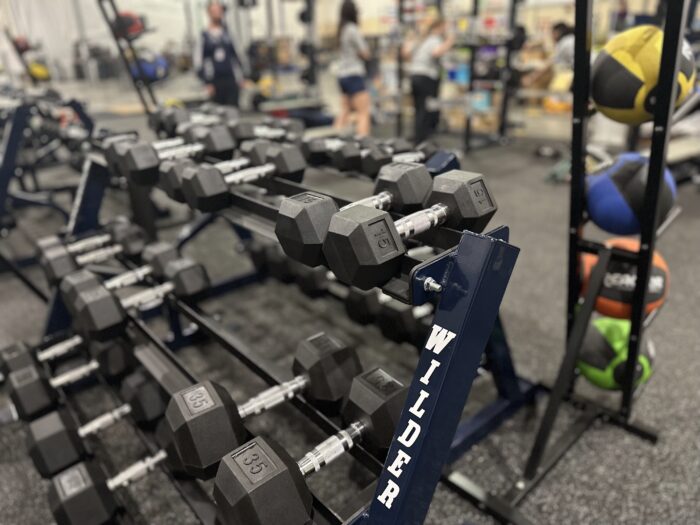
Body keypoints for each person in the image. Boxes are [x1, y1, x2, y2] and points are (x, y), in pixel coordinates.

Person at [402, 18, 454, 144]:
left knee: (419, 107)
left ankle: (418, 136)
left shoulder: (422, 41)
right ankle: (421, 139)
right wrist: (450, 41)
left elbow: (406, 53)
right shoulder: (434, 40)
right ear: (440, 27)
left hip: (415, 76)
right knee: (425, 108)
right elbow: (437, 53)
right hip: (425, 77)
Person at [334, 0, 372, 137]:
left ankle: (333, 144)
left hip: (342, 75)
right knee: (363, 112)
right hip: (354, 74)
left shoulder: (341, 29)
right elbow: (365, 53)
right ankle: (364, 146)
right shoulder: (352, 29)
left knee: (344, 111)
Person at [196, 1, 245, 106]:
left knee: (233, 110)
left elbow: (237, 56)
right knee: (218, 112)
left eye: (219, 10)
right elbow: (199, 62)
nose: (217, 13)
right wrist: (206, 83)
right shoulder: (204, 36)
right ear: (209, 13)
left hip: (231, 80)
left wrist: (242, 78)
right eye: (214, 11)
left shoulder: (229, 33)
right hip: (214, 81)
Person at [522, 22, 575, 89]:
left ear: (557, 33)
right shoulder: (570, 39)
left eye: (552, 33)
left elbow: (549, 64)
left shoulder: (563, 43)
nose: (551, 37)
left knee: (555, 90)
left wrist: (531, 78)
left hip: (580, 73)